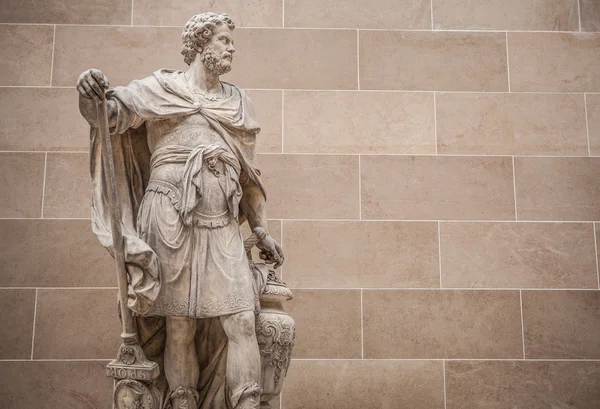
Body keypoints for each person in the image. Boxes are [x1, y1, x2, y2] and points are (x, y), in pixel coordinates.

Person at [77, 12, 283, 409]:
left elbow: (249, 176)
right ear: (201, 43)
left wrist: (260, 230)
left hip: (222, 218)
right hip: (168, 214)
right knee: (180, 324)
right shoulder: (162, 88)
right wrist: (89, 91)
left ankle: (247, 403)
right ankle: (183, 403)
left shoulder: (238, 103)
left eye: (229, 41)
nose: (231, 48)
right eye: (223, 40)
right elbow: (108, 115)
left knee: (241, 317)